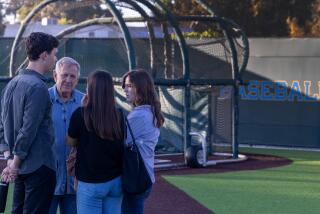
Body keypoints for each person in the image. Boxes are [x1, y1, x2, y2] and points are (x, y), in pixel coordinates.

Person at [0, 32, 58, 213]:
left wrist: (10, 159)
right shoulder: (39, 88)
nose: (55, 59)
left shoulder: (12, 84)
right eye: (55, 54)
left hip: (20, 167)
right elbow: (28, 129)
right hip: (38, 167)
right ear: (44, 55)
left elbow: (2, 126)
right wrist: (14, 164)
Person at [67, 70, 124, 214]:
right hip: (116, 181)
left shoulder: (80, 114)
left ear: (90, 89)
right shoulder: (119, 115)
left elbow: (70, 141)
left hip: (90, 183)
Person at [121, 69, 164, 214]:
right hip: (144, 176)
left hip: (136, 177)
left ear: (141, 88)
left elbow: (119, 142)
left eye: (130, 86)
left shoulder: (139, 115)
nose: (125, 90)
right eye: (125, 86)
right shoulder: (150, 111)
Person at [48, 57, 84, 214]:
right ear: (55, 76)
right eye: (64, 75)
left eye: (73, 76)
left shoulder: (85, 101)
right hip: (47, 179)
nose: (68, 80)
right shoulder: (42, 98)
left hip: (75, 181)